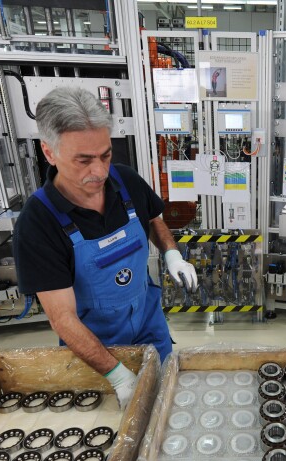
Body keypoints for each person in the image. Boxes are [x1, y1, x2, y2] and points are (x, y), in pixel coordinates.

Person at [12, 87, 197, 409]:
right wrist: (118, 376)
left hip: (149, 322)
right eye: (83, 160)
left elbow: (153, 217)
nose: (99, 171)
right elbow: (63, 318)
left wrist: (172, 253)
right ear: (49, 152)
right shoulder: (37, 223)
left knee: (168, 403)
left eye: (105, 155)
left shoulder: (125, 180)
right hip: (96, 347)